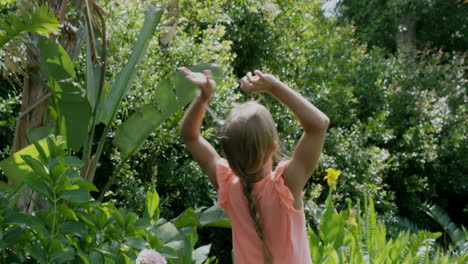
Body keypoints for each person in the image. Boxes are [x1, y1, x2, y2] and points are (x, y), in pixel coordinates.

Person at [179, 67, 329, 264]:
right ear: (274, 146)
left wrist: (204, 97)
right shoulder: (286, 186)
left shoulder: (228, 186)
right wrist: (273, 86)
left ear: (227, 155)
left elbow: (190, 136)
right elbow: (319, 124)